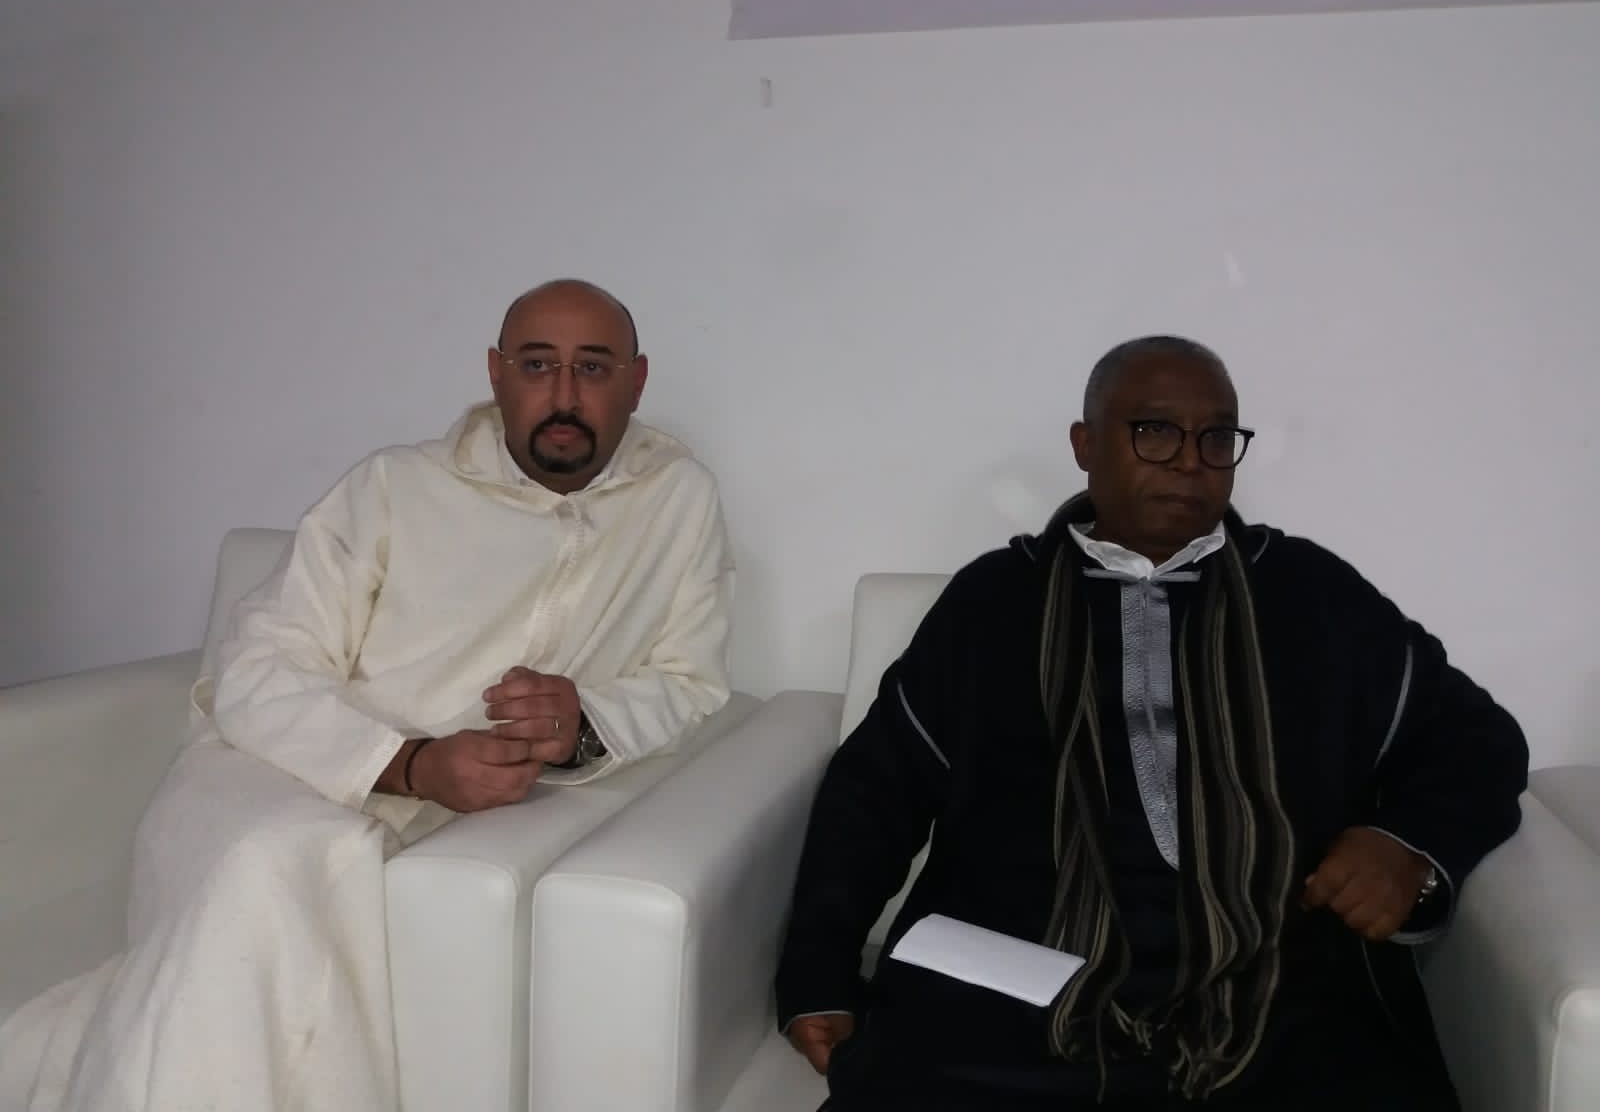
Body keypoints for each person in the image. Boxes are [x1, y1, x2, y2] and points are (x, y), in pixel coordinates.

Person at [0, 278, 735, 1112]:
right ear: (496, 374)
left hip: (432, 817)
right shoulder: (391, 488)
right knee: (277, 861)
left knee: (284, 902)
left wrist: (585, 726)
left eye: (593, 368)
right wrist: (409, 763)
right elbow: (257, 665)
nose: (564, 395)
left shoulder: (678, 501)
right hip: (271, 772)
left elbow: (691, 680)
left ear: (636, 381)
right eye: (538, 365)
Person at [776, 336, 1527, 1111]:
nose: (1190, 461)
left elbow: (1477, 739)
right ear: (1085, 444)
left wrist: (1407, 845)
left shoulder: (1309, 594)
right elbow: (874, 793)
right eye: (1155, 431)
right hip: (1019, 983)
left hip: (1275, 976)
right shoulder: (995, 602)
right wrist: (817, 973)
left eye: (1216, 438)